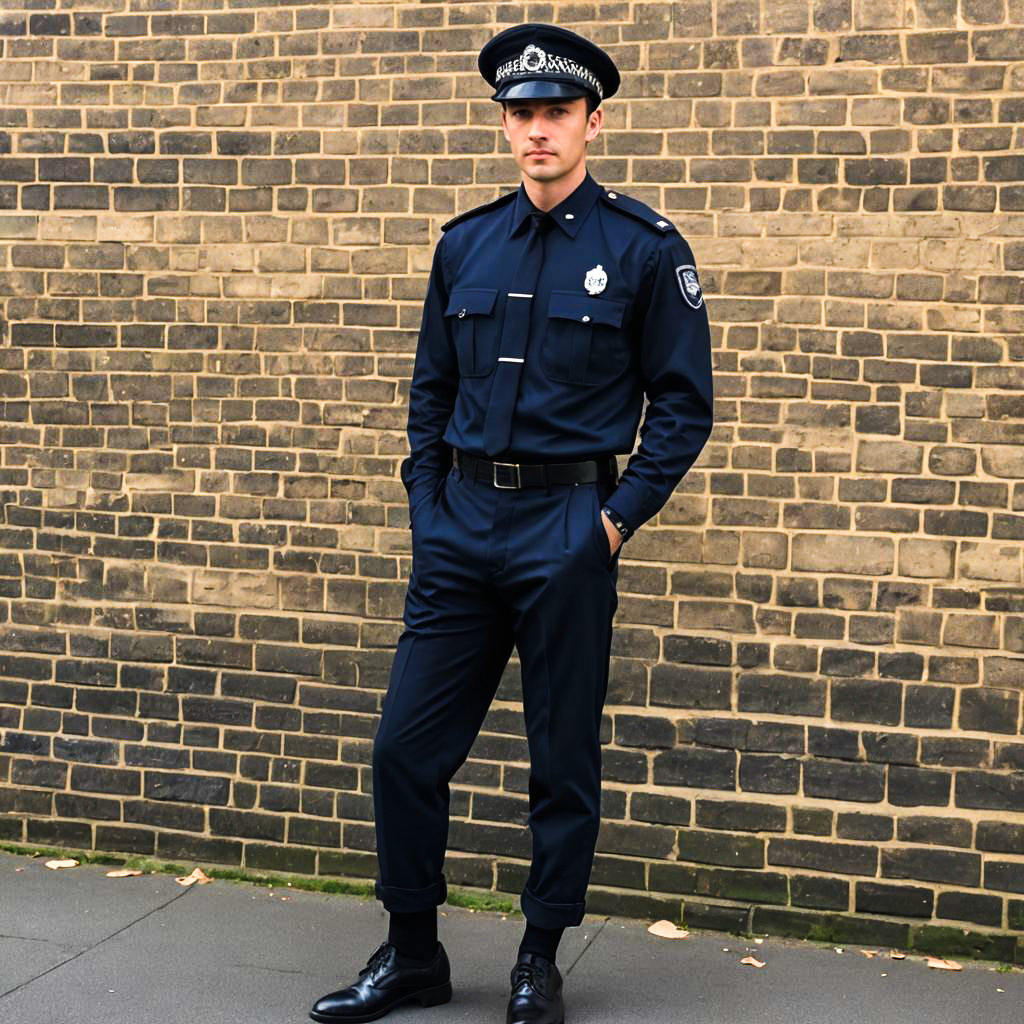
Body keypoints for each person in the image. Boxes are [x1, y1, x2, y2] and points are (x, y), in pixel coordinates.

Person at [309, 21, 714, 1024]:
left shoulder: (644, 250)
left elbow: (683, 404)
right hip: (460, 523)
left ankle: (539, 957)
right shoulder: (465, 243)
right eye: (521, 114)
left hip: (568, 527)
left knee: (559, 754)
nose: (538, 132)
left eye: (556, 114)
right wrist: (426, 507)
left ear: (591, 123)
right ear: (504, 126)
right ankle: (411, 952)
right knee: (404, 748)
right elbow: (426, 391)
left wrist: (612, 522)